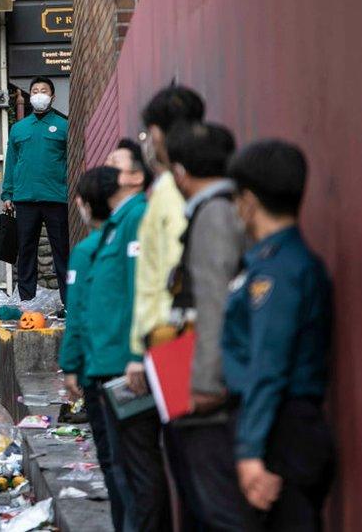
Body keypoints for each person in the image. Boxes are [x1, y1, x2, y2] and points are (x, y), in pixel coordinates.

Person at [223, 140, 334, 529]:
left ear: (249, 201)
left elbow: (268, 365)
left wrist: (251, 450)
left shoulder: (276, 271)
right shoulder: (280, 262)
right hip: (280, 423)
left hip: (281, 432)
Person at [161, 121, 260, 530]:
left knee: (217, 509)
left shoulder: (214, 215)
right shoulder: (217, 210)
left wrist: (202, 385)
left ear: (181, 171)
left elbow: (213, 302)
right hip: (189, 375)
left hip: (206, 394)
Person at [81, 155, 163, 531]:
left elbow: (139, 293)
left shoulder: (136, 219)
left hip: (127, 366)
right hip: (109, 365)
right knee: (122, 464)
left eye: (120, 164)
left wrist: (135, 355)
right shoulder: (117, 226)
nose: (111, 171)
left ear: (136, 177)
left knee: (136, 466)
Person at [58, 169, 131, 531]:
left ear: (84, 205)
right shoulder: (126, 241)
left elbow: (79, 313)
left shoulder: (89, 250)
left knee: (113, 458)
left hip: (98, 368)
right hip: (130, 366)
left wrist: (69, 365)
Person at [127, 86, 204, 382]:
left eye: (148, 134)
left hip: (170, 340)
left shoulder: (172, 190)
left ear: (158, 133)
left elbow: (172, 270)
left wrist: (143, 354)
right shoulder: (177, 186)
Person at [1, 76, 70, 305]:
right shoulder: (18, 128)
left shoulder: (63, 126)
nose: (39, 94)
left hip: (56, 198)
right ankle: (27, 301)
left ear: (52, 96)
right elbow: (11, 162)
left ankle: (68, 302)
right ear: (30, 95)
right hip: (25, 198)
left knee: (62, 251)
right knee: (26, 251)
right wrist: (7, 193)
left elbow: (70, 162)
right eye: (35, 90)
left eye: (44, 90)